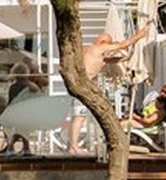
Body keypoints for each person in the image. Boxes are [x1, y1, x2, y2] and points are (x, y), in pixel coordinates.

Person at [65, 25, 153, 153]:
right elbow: (123, 45)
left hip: (81, 85)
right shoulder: (99, 47)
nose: (110, 46)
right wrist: (139, 35)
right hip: (83, 86)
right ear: (103, 42)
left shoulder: (90, 50)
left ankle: (72, 145)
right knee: (80, 116)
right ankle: (73, 146)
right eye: (109, 43)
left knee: (79, 116)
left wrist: (126, 58)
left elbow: (107, 60)